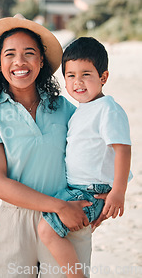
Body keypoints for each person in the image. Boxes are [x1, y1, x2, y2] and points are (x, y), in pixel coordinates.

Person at [0, 16, 95, 278]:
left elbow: (95, 151)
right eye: (10, 54)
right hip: (16, 222)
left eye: (29, 53)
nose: (19, 62)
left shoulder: (65, 109)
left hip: (66, 218)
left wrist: (102, 201)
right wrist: (57, 206)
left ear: (41, 61)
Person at [37, 37, 132, 278]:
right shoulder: (81, 110)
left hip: (89, 190)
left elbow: (122, 149)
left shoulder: (107, 109)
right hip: (78, 188)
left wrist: (118, 191)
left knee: (46, 230)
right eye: (70, 75)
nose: (77, 82)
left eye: (86, 74)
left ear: (103, 77)